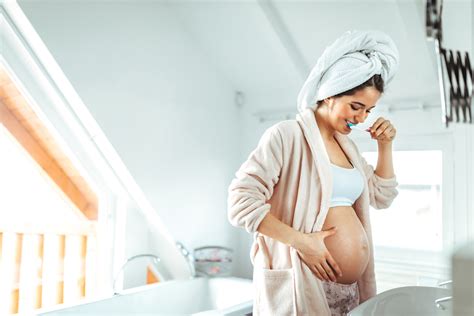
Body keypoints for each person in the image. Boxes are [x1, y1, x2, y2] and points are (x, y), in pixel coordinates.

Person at [227, 30, 400, 315]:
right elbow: (239, 203)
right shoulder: (287, 136)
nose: (361, 118)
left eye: (368, 110)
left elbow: (382, 196)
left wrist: (385, 146)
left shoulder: (349, 149)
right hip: (302, 283)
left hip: (348, 293)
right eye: (355, 106)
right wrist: (302, 242)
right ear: (330, 94)